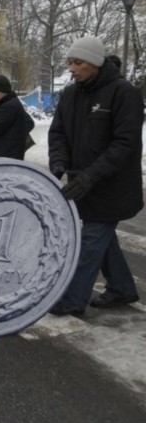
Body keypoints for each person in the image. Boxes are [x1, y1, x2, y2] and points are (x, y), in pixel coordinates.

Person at [48, 36, 143, 315]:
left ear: (96, 63)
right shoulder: (70, 94)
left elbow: (125, 143)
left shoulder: (124, 93)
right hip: (81, 184)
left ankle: (71, 300)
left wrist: (91, 176)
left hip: (112, 186)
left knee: (90, 241)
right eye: (69, 63)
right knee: (102, 238)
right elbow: (58, 133)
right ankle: (122, 288)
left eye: (78, 63)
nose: (72, 69)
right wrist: (58, 163)